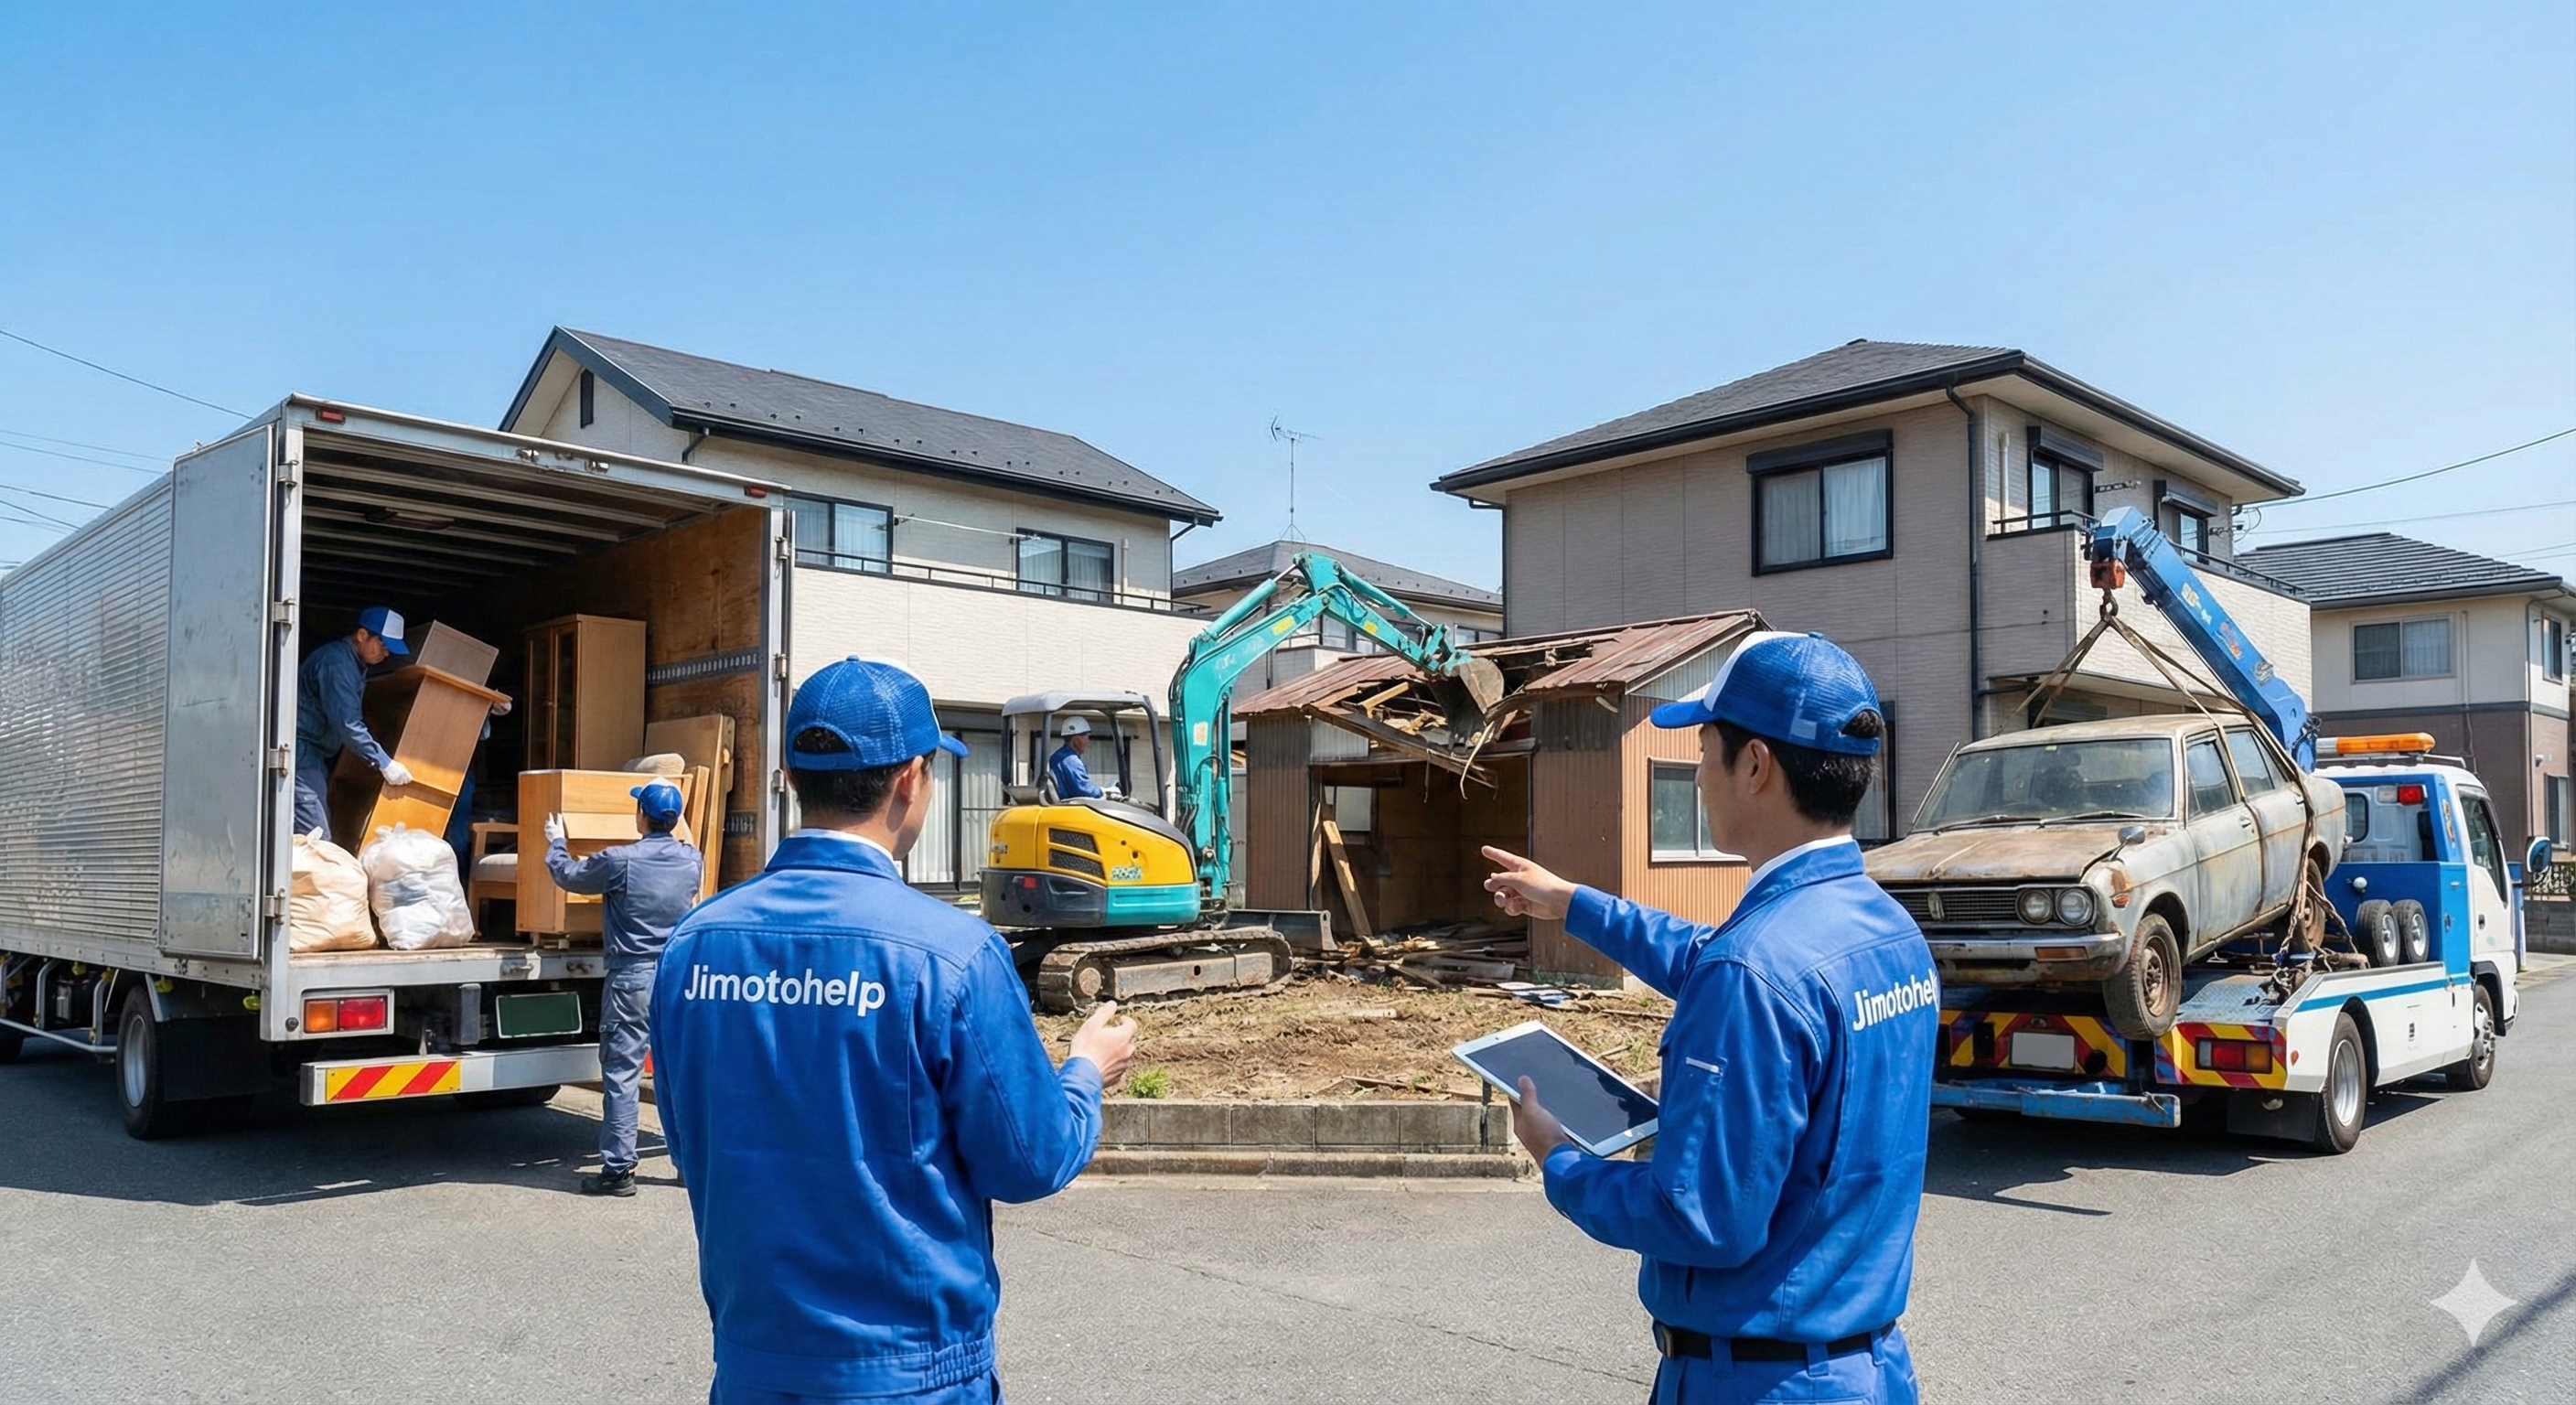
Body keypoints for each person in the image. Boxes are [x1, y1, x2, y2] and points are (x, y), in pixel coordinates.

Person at [652, 658, 1137, 1404]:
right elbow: (1030, 1161)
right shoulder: (952, 954)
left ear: (790, 775)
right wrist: (1083, 1072)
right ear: (912, 778)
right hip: (912, 1375)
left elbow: (690, 1141)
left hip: (755, 1366)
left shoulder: (696, 945)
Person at [1482, 631, 1934, 1405]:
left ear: (1754, 766)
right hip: (1869, 1368)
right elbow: (1710, 955)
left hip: (1759, 1380)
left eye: (1703, 749)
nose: (1695, 773)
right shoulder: (1888, 933)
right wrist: (1569, 903)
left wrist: (1561, 1161)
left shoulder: (1754, 970)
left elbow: (1701, 1223)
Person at [543, 778, 703, 1197]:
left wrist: (556, 842)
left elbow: (569, 875)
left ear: (641, 817)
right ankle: (688, 1167)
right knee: (674, 1077)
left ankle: (617, 1171)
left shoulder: (620, 860)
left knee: (622, 1074)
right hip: (675, 976)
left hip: (632, 978)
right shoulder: (692, 859)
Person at [294, 606, 413, 838]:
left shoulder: (352, 664)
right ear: (362, 635)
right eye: (383, 645)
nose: (386, 654)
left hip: (313, 756)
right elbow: (348, 724)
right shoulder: (337, 664)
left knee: (306, 837)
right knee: (316, 839)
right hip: (302, 755)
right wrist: (383, 762)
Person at [1046, 715, 1104, 800]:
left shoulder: (1060, 756)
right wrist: (1103, 791)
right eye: (1086, 736)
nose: (1088, 740)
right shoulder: (1070, 760)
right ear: (1076, 739)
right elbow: (1083, 789)